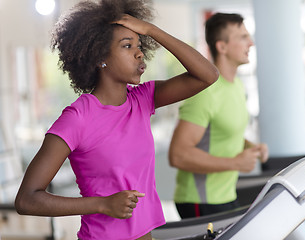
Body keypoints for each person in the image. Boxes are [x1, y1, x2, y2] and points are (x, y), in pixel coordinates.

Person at [14, 0, 218, 239]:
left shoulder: (142, 100)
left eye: (140, 44)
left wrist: (151, 30)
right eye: (127, 45)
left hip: (146, 235)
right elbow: (27, 199)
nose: (139, 52)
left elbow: (208, 75)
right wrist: (102, 204)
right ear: (100, 57)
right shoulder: (77, 118)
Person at [169, 12, 269, 219]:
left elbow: (219, 133)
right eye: (242, 37)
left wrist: (250, 147)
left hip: (225, 194)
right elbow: (178, 154)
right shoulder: (205, 93)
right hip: (199, 200)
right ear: (221, 47)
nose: (250, 43)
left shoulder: (236, 85)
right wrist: (236, 163)